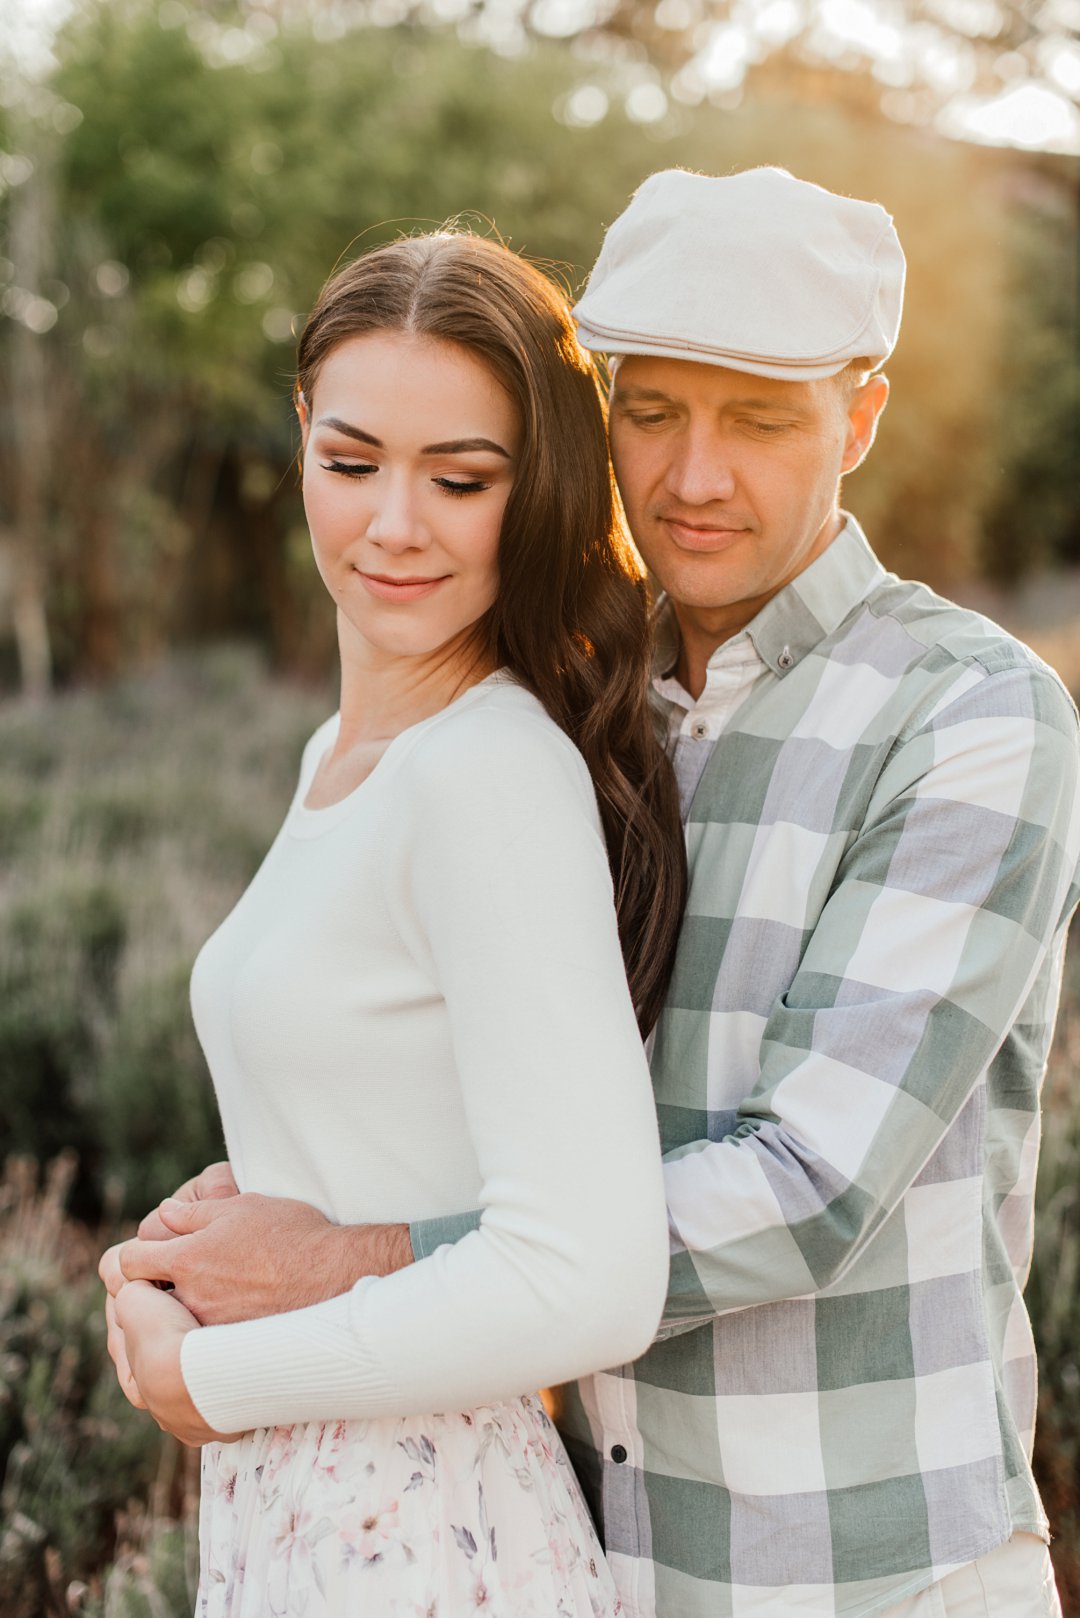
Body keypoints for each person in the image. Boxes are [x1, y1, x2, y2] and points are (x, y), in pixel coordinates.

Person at [104, 170, 1080, 1618]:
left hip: (874, 1569)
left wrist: (347, 1261)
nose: (694, 477)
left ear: (859, 419)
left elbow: (812, 1185)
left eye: (759, 418)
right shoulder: (586, 702)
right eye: (652, 411)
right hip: (604, 1551)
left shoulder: (968, 716)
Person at [99, 228, 688, 1617]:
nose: (393, 524)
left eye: (460, 478)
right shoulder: (342, 757)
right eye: (352, 460)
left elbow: (588, 1276)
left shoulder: (487, 769)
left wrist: (205, 1374)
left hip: (429, 1531)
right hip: (314, 1510)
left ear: (533, 489)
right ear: (301, 429)